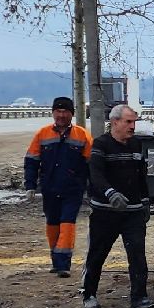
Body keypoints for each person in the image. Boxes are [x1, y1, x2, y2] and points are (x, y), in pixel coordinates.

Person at [80, 104, 154, 308]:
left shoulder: (136, 144)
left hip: (133, 212)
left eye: (134, 122)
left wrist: (145, 201)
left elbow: (141, 175)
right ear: (115, 122)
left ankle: (139, 298)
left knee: (137, 255)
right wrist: (110, 193)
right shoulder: (101, 144)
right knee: (97, 254)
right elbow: (96, 174)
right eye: (128, 122)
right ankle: (89, 295)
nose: (132, 126)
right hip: (105, 212)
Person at [22, 96, 92, 277]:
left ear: (71, 114)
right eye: (58, 111)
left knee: (67, 222)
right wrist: (30, 185)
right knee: (52, 223)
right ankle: (56, 258)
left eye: (65, 112)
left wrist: (93, 188)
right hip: (50, 188)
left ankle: (63, 263)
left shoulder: (82, 135)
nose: (61, 115)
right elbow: (31, 161)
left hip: (73, 189)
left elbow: (92, 164)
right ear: (53, 113)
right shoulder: (42, 134)